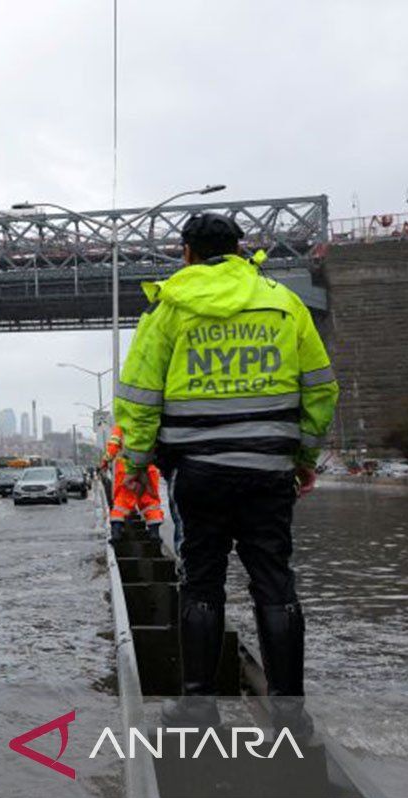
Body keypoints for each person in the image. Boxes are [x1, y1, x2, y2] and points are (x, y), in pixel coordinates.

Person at [113, 212, 339, 736]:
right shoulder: (284, 305)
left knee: (201, 584)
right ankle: (288, 714)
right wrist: (303, 458)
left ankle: (197, 707)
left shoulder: (169, 309)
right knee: (275, 584)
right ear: (242, 250)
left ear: (185, 252)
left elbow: (140, 399)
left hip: (198, 475)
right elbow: (321, 389)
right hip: (267, 473)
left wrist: (137, 465)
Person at [99, 424, 164, 544]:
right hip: (148, 467)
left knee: (122, 500)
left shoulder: (123, 424)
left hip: (126, 468)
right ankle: (154, 534)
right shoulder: (152, 422)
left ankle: (117, 532)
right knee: (150, 501)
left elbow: (113, 446)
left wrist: (105, 461)